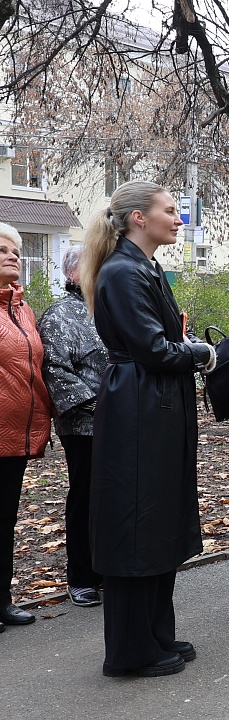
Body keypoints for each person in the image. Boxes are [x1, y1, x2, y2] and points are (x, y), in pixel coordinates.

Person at [79, 181, 216, 676]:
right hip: (138, 405)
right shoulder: (123, 271)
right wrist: (200, 352)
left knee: (157, 519)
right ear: (139, 217)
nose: (179, 219)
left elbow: (159, 343)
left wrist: (185, 350)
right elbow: (154, 349)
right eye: (170, 210)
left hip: (153, 402)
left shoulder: (144, 267)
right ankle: (131, 651)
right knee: (136, 520)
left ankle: (155, 633)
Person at [37, 245, 105, 609]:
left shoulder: (110, 307)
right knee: (86, 498)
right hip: (84, 425)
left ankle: (109, 568)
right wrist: (102, 406)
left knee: (115, 498)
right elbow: (55, 371)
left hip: (125, 421)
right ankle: (82, 577)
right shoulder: (59, 315)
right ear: (71, 273)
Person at [1, 223, 54, 631]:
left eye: (16, 251)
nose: (12, 257)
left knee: (4, 521)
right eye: (2, 251)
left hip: (16, 435)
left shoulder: (23, 310)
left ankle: (2, 601)